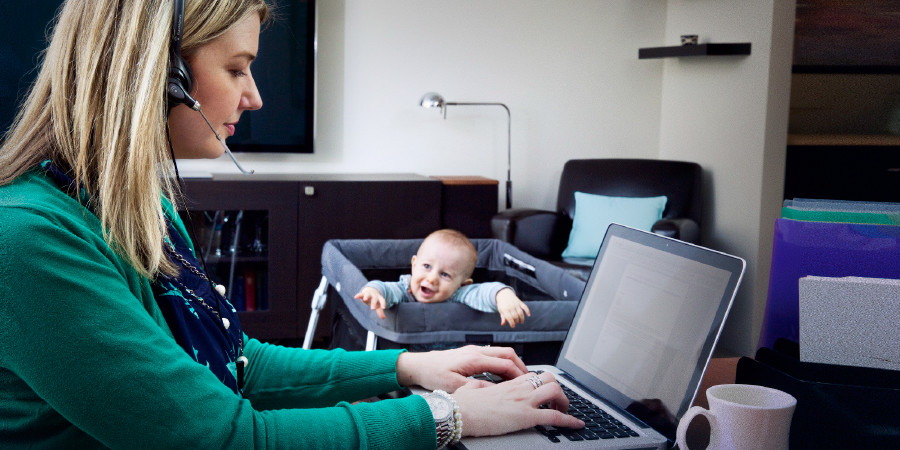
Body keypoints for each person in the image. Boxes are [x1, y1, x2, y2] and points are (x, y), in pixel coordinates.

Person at [0, 0, 583, 448]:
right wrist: (448, 415)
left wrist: (413, 365)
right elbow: (226, 437)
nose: (254, 96)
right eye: (237, 68)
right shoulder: (31, 242)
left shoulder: (141, 205)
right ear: (160, 73)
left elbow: (239, 363)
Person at [355, 229, 532, 328]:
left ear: (462, 284)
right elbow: (386, 289)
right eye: (427, 267)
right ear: (414, 264)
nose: (432, 279)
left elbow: (484, 292)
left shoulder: (458, 294)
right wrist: (373, 291)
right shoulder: (404, 289)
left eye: (445, 274)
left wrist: (503, 296)